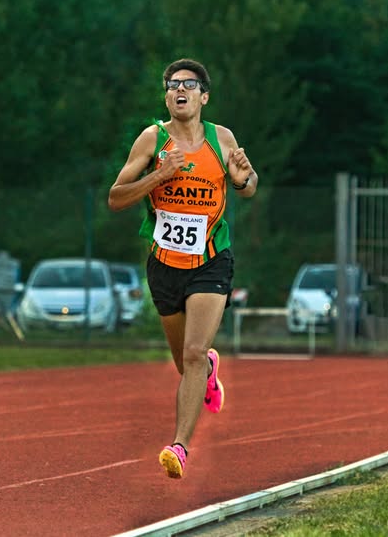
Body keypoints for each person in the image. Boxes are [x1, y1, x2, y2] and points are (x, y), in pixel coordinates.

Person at [108, 58, 258, 479]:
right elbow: (116, 198)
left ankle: (179, 447)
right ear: (166, 95)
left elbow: (249, 187)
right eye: (173, 84)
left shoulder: (222, 138)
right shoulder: (152, 140)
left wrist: (243, 179)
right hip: (164, 264)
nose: (180, 90)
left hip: (211, 260)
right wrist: (159, 176)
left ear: (203, 97)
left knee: (192, 353)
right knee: (185, 362)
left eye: (189, 85)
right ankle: (209, 370)